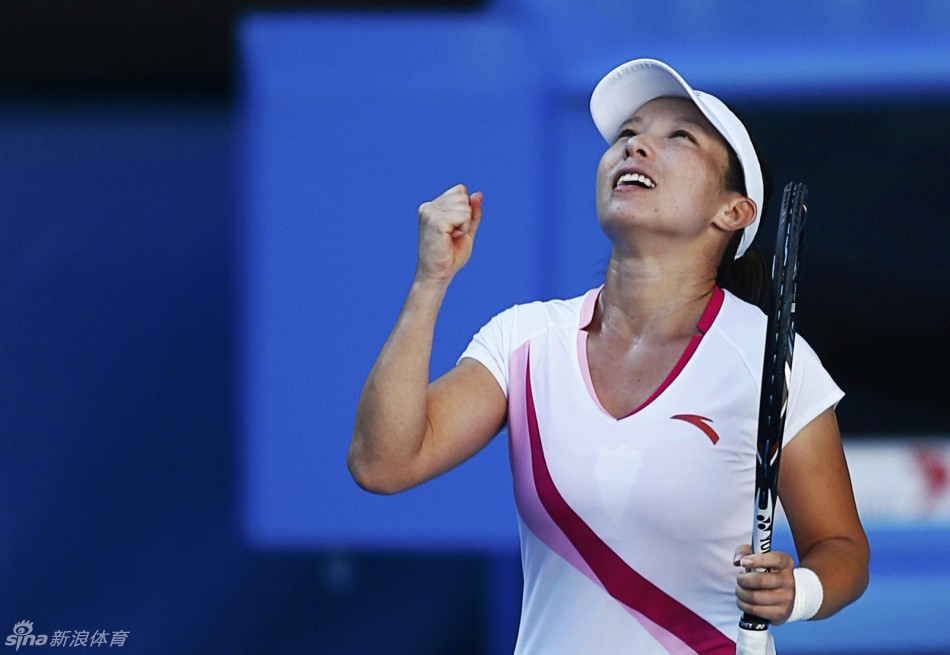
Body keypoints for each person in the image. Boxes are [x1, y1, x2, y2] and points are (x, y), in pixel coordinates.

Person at [348, 58, 869, 654]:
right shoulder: (524, 340)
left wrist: (798, 592)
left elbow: (843, 549)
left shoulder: (772, 360)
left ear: (733, 211)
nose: (637, 146)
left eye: (677, 136)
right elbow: (382, 465)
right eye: (627, 134)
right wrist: (430, 281)